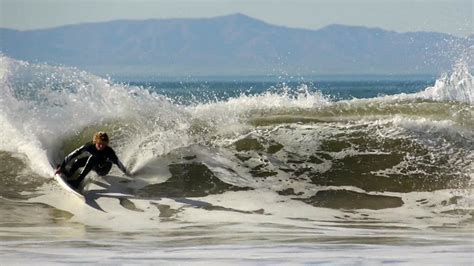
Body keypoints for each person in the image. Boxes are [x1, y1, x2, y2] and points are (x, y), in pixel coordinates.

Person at [55, 131, 131, 189]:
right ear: (95, 142)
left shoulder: (109, 152)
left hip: (103, 169)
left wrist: (127, 173)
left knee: (92, 158)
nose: (101, 146)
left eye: (104, 144)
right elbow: (73, 154)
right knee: (77, 161)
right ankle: (69, 174)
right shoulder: (89, 146)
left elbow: (118, 163)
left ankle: (77, 182)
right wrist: (62, 167)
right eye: (99, 143)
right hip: (94, 163)